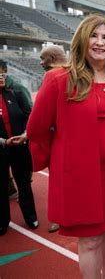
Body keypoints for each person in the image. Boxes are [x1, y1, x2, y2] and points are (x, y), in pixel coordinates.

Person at [27, 14, 105, 278]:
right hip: (80, 177)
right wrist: (62, 160)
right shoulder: (59, 79)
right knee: (90, 239)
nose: (99, 42)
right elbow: (37, 128)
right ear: (82, 41)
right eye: (93, 36)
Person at [0, 59, 38, 236]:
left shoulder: (16, 92)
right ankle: (2, 222)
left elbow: (30, 116)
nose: (1, 76)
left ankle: (31, 217)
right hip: (1, 148)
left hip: (20, 146)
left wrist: (25, 134)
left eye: (2, 72)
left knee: (24, 183)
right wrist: (3, 141)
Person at [39, 45, 68, 233]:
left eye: (43, 58)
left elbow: (41, 115)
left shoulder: (53, 76)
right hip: (70, 136)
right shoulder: (74, 72)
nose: (41, 62)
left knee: (58, 181)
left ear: (51, 57)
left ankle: (60, 217)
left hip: (60, 138)